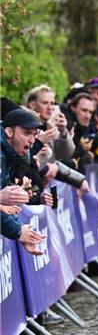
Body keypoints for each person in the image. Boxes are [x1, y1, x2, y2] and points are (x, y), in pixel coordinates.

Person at [1, 109, 48, 255]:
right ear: (9, 132)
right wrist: (19, 232)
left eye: (34, 135)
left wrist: (21, 230)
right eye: (27, 133)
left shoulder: (8, 152)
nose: (32, 140)